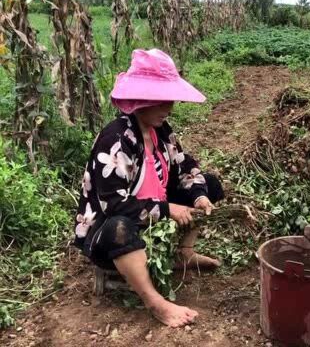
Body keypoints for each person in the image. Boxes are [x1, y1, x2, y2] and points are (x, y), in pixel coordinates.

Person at [73, 49, 224, 327]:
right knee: (120, 227)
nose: (169, 107)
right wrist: (168, 209)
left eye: (170, 100)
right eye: (161, 101)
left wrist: (199, 196)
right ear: (142, 99)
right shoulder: (116, 140)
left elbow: (184, 165)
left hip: (149, 214)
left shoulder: (161, 130)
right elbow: (115, 206)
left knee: (208, 184)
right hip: (108, 231)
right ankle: (155, 302)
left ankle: (184, 254)